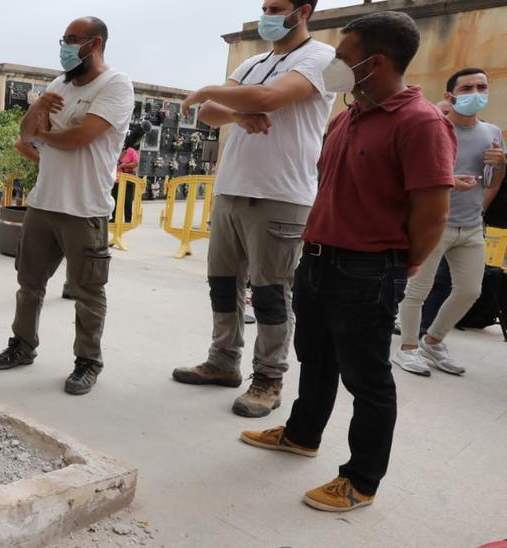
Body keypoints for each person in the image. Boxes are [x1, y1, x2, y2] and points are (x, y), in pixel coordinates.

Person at [241, 11, 455, 513]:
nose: (333, 65)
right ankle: (301, 434)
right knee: (316, 359)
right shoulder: (347, 115)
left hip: (367, 268)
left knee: (367, 377)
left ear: (374, 63)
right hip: (318, 260)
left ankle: (361, 480)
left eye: (343, 57)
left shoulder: (421, 122)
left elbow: (432, 211)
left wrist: (401, 264)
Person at [173, 0, 336, 418]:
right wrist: (241, 114)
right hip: (232, 189)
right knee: (223, 285)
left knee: (269, 294)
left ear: (304, 11)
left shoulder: (321, 57)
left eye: (277, 7)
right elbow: (212, 114)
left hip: (281, 195)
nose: (267, 13)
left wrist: (215, 92)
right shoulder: (254, 61)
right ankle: (223, 360)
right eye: (264, 6)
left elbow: (271, 97)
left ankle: (269, 378)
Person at [0, 16, 133, 396]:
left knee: (87, 293)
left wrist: (43, 134)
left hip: (85, 209)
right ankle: (22, 345)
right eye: (63, 39)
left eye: (73, 39)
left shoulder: (115, 85)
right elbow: (25, 133)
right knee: (28, 284)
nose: (65, 46)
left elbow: (82, 137)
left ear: (95, 43)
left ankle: (88, 361)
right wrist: (36, 111)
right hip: (43, 204)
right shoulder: (58, 84)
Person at [392, 68, 505, 377]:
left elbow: (492, 180)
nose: (475, 92)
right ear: (449, 95)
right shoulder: (433, 129)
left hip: (470, 227)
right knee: (418, 290)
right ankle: (408, 349)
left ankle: (434, 340)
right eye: (467, 87)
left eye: (481, 86)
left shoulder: (492, 132)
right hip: (433, 222)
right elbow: (408, 175)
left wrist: (499, 166)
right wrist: (449, 181)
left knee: (471, 290)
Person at [111, 127, 143, 224]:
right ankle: (114, 218)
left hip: (128, 179)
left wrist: (124, 165)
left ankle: (128, 219)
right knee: (114, 199)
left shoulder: (131, 151)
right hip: (117, 179)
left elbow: (136, 163)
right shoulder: (116, 149)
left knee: (127, 200)